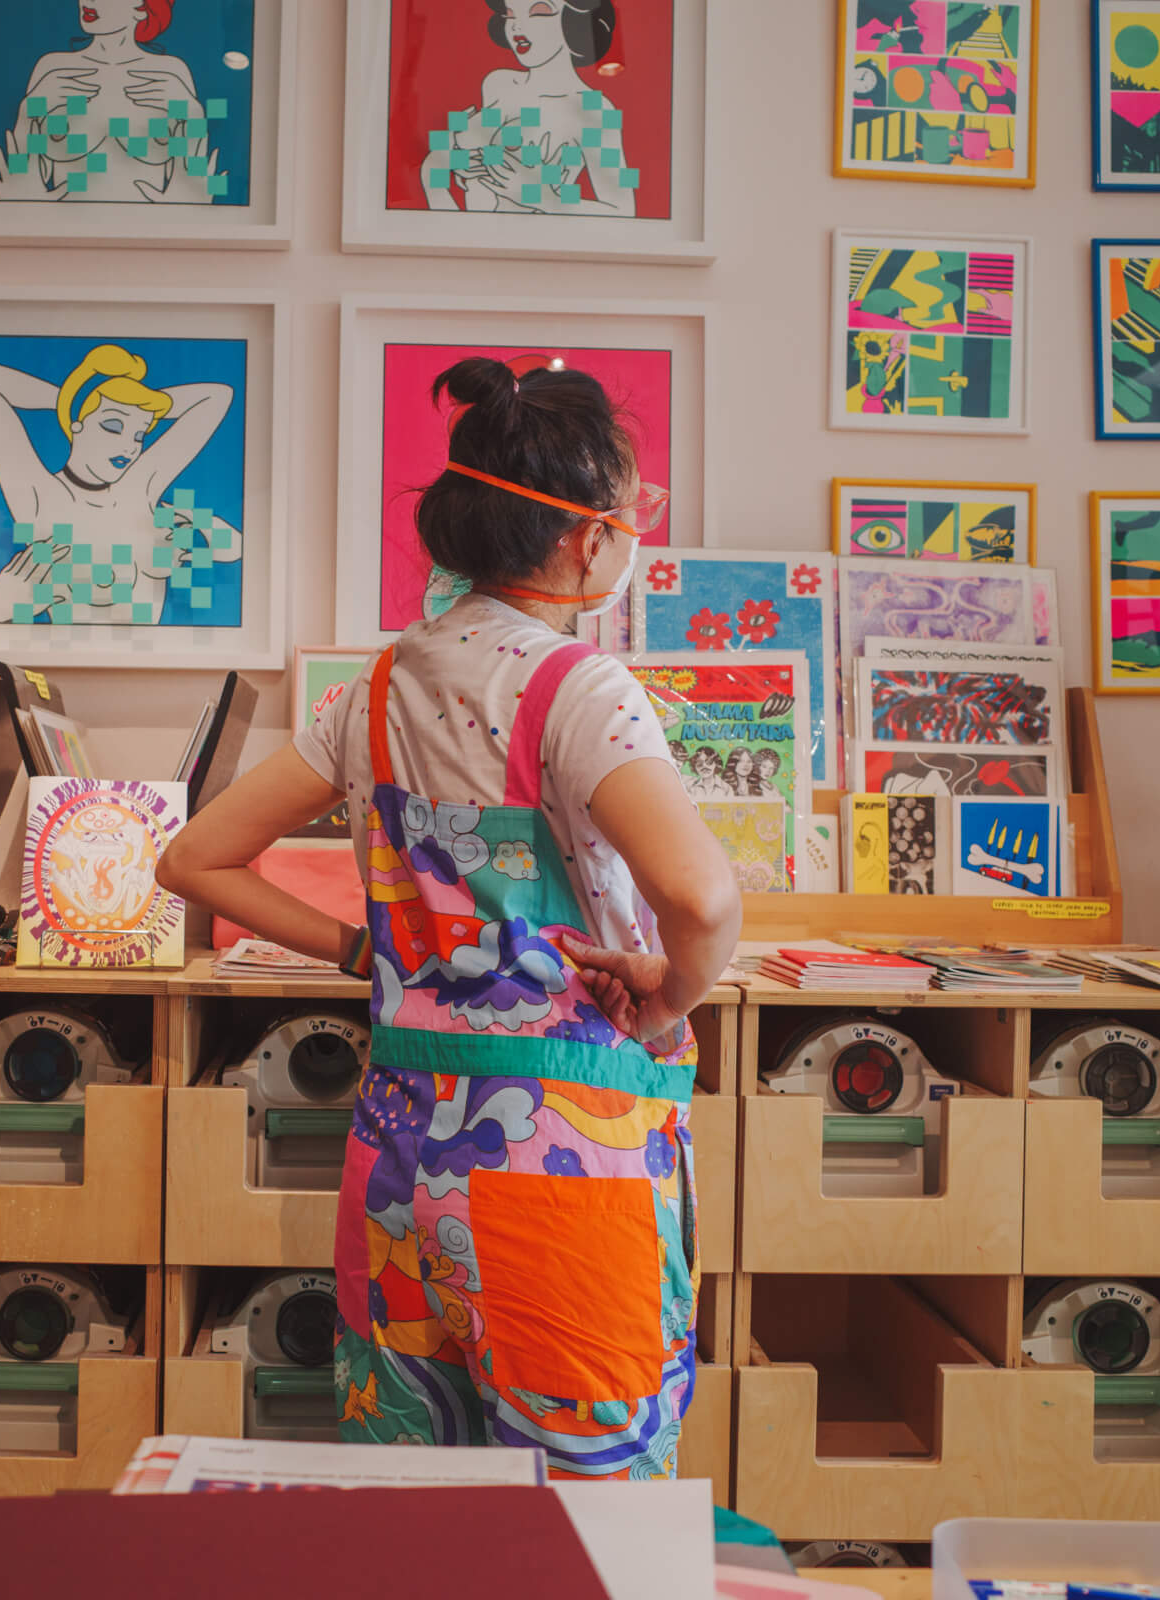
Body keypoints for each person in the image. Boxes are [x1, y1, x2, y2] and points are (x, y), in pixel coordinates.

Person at [160, 355, 741, 1479]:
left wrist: (357, 947)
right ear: (585, 538)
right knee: (588, 1509)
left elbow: (195, 858)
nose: (634, 535)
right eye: (633, 512)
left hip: (398, 1159)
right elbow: (704, 896)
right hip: (563, 1154)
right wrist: (671, 994)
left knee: (417, 1503)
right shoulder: (581, 689)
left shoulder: (372, 691)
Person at [0, 342, 239, 625]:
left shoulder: (140, 488)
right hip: (64, 658)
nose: (130, 447)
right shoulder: (41, 496)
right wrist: (71, 399)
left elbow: (217, 397)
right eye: (113, 426)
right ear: (78, 424)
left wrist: (192, 521)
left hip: (148, 661)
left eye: (139, 434)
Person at [0, 0, 222, 203]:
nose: (88, 1)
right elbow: (21, 175)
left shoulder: (171, 72)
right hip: (62, 237)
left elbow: (194, 178)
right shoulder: (53, 68)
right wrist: (29, 110)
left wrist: (193, 112)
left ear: (142, 8)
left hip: (153, 235)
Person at [419, 0, 635, 216]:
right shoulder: (497, 83)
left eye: (538, 13)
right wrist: (444, 161)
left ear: (576, 21)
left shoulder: (594, 109)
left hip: (535, 242)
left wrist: (544, 198)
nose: (516, 26)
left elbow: (623, 211)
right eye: (510, 15)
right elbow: (443, 165)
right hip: (469, 236)